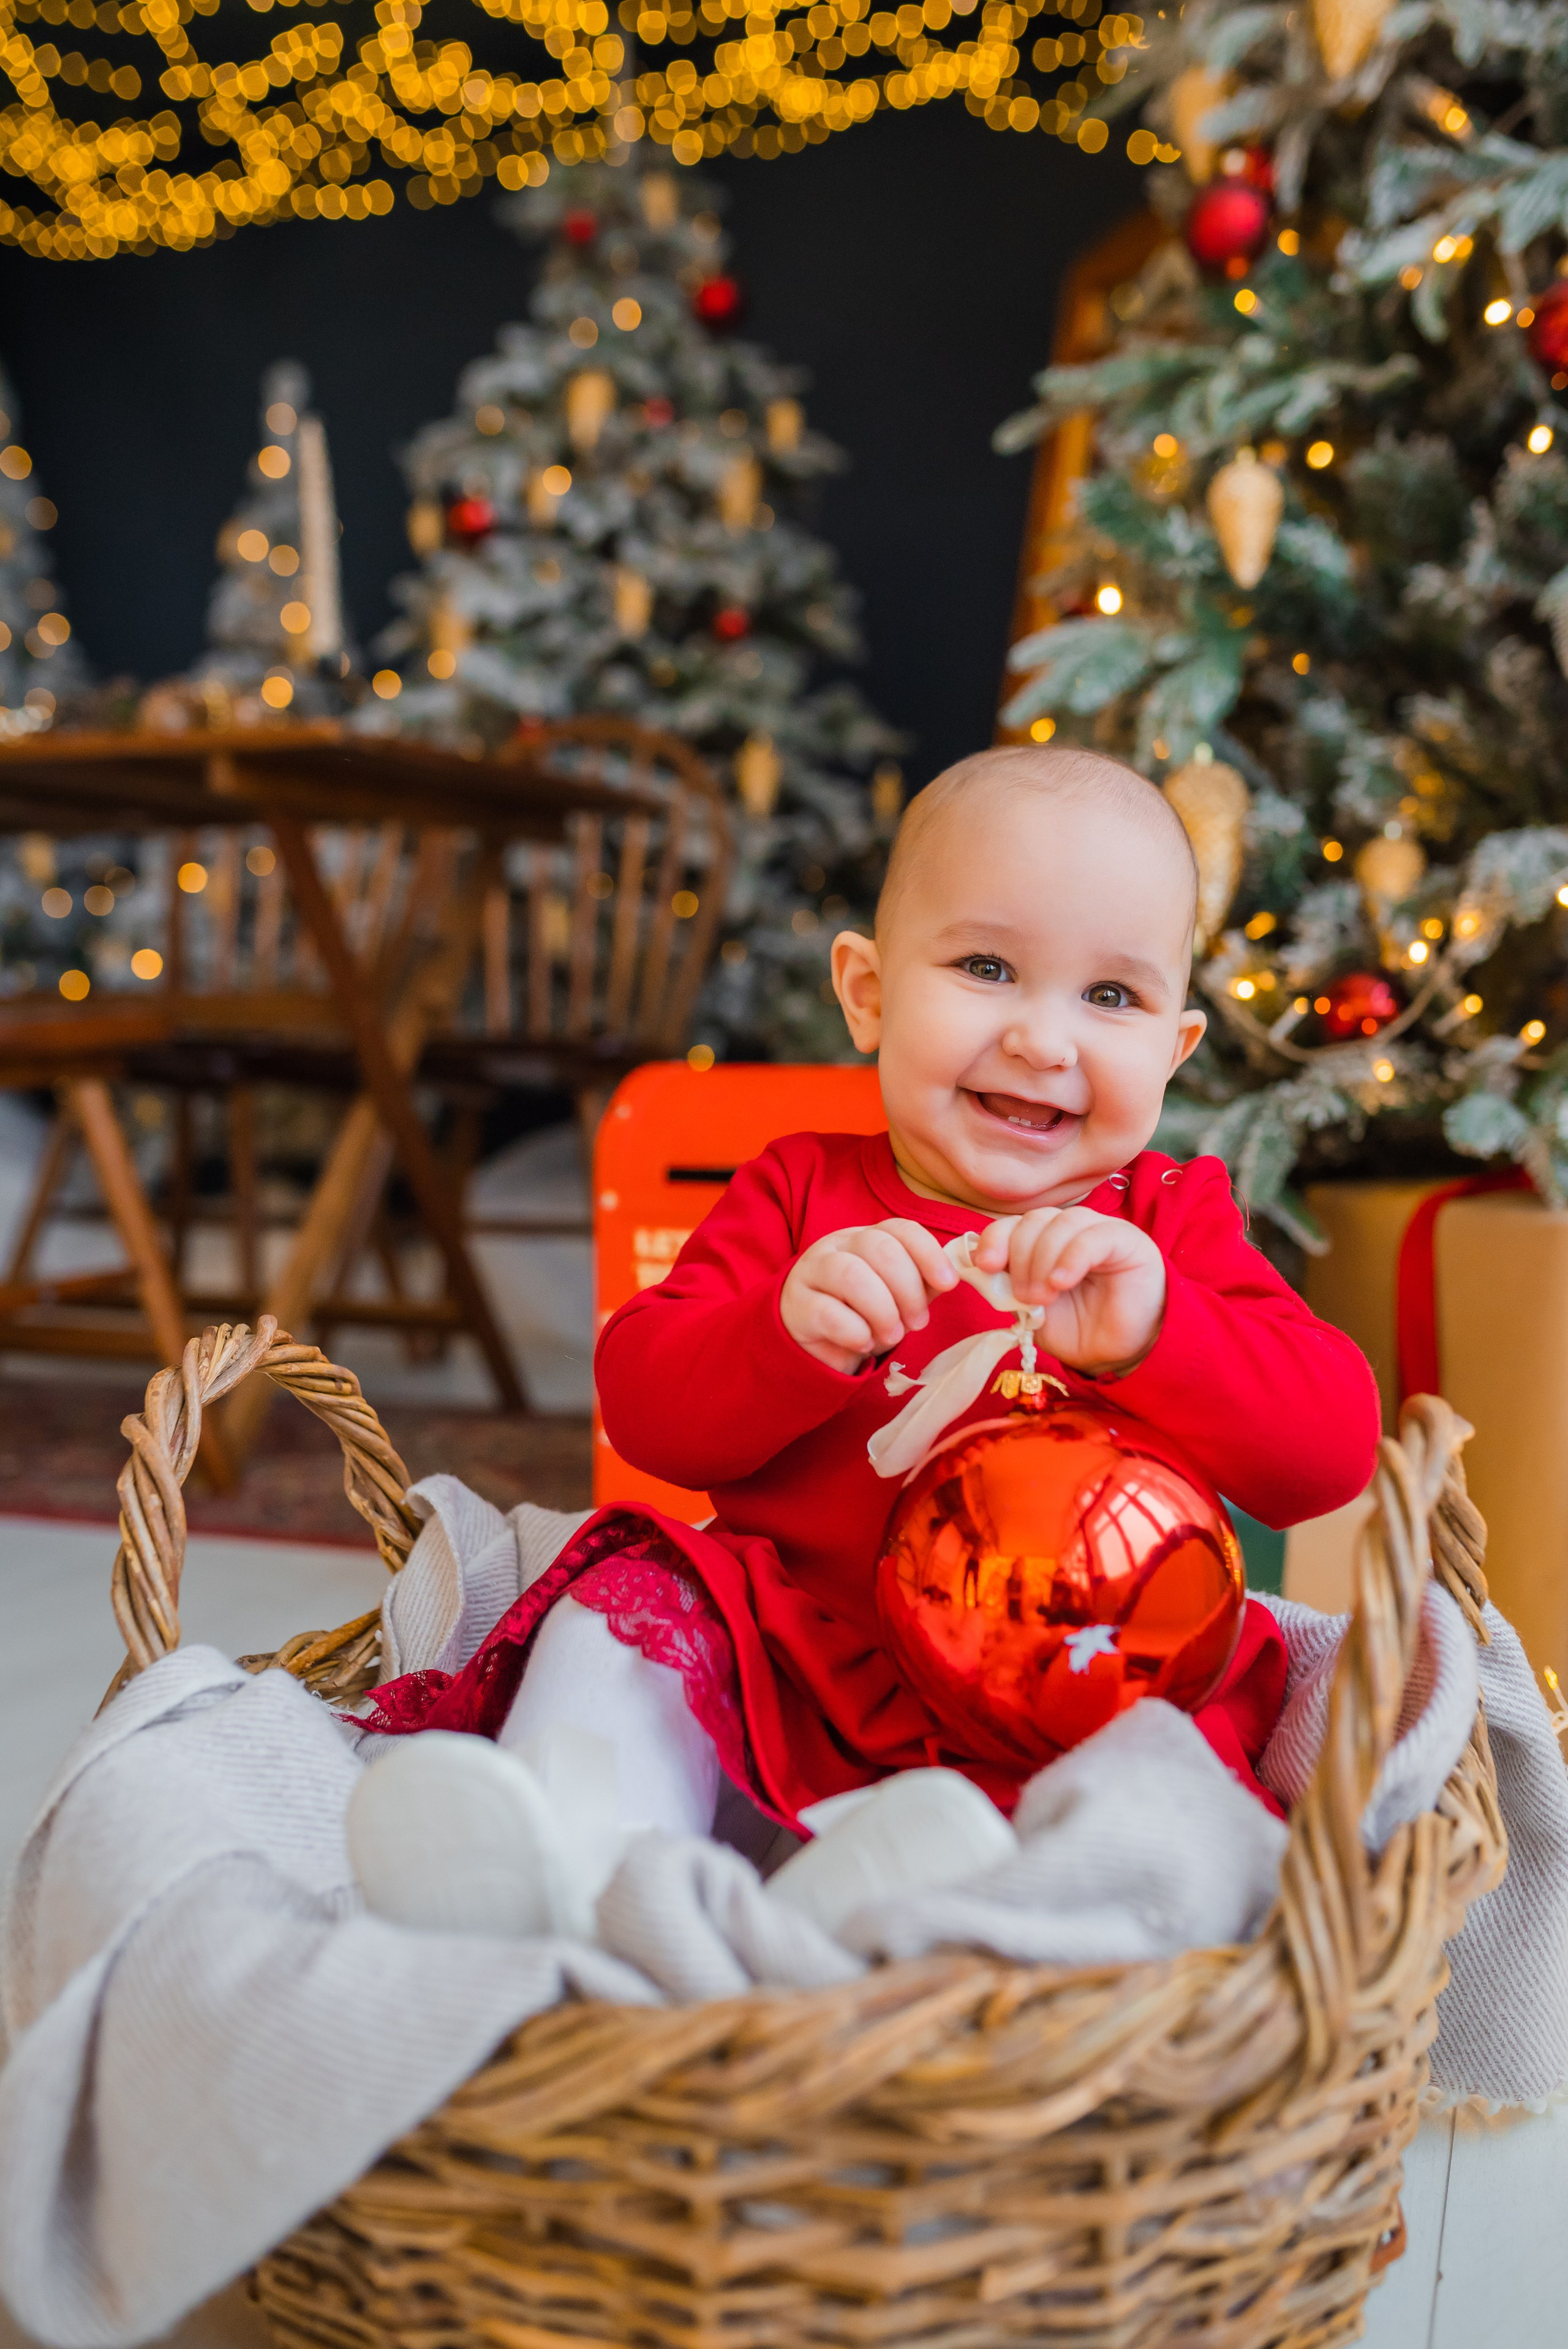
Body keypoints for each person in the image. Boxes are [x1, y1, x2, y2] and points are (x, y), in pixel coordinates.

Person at [360, 745, 1381, 1902]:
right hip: (798, 1666)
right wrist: (783, 1336)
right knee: (625, 1605)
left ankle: (909, 1914)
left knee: (1167, 1804)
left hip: (1090, 1689)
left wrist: (1162, 1331)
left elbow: (1331, 1453)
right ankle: (563, 1860)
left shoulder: (1167, 1222)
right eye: (988, 967)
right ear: (869, 994)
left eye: (1111, 997)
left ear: (1175, 1049)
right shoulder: (798, 1194)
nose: (1047, 1041)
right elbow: (646, 1407)